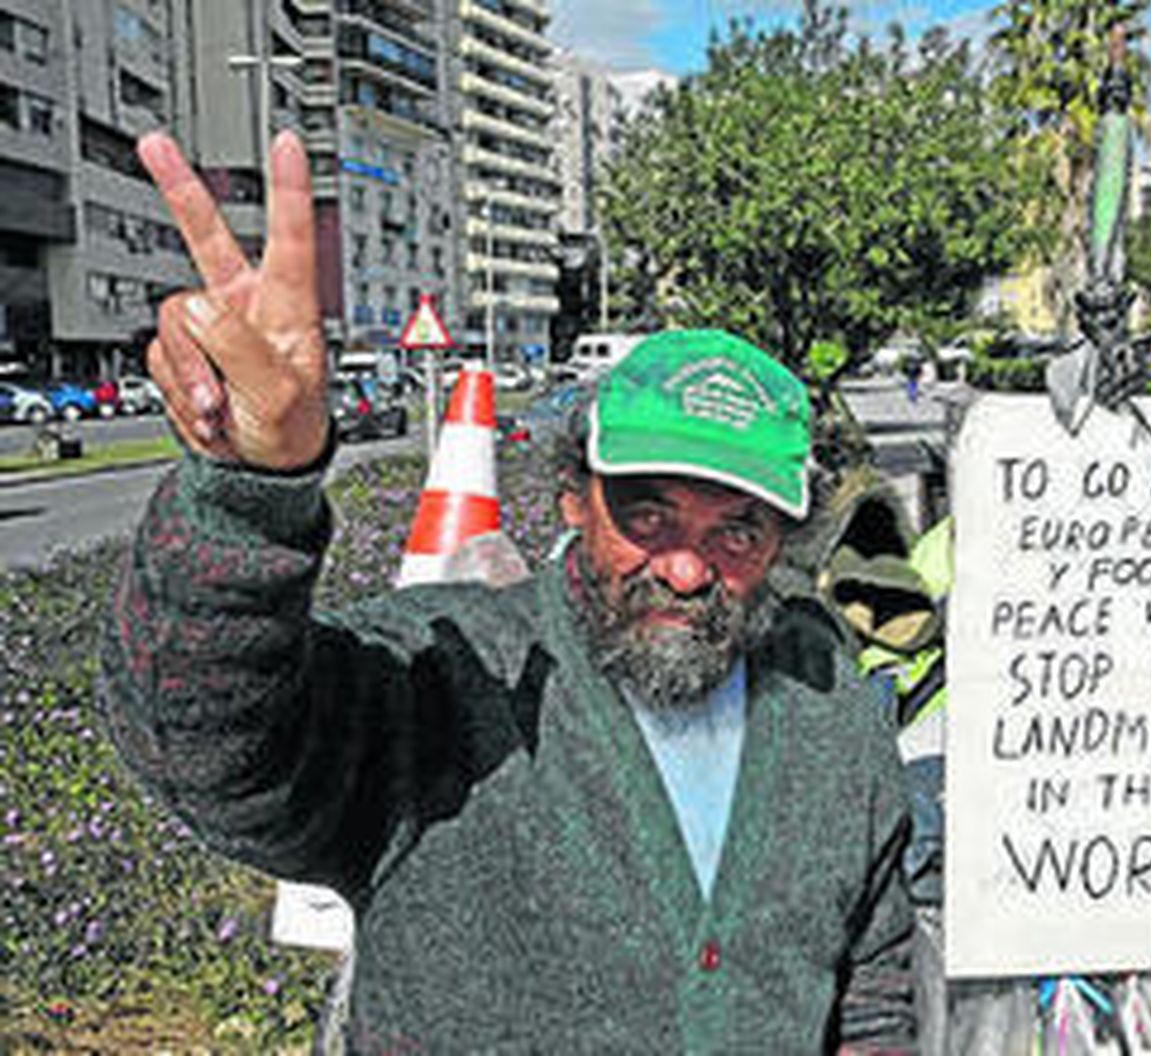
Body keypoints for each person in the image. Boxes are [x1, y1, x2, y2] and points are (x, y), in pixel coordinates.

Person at [98, 130, 916, 1052]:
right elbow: (212, 748)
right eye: (648, 514)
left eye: (738, 530)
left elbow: (873, 988)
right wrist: (251, 493)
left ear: (783, 539)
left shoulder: (831, 718)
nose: (688, 570)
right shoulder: (447, 682)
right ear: (573, 496)